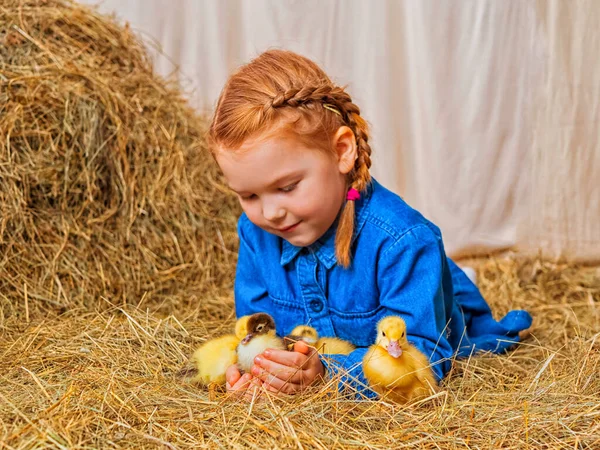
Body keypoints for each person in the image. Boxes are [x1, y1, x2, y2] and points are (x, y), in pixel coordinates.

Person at [207, 49, 532, 399]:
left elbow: (423, 356)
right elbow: (257, 331)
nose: (269, 213)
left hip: (410, 273)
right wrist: (260, 373)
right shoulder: (256, 233)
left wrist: (326, 375)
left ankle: (453, 285)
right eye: (249, 196)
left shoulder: (401, 240)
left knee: (448, 309)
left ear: (342, 152)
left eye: (287, 187)